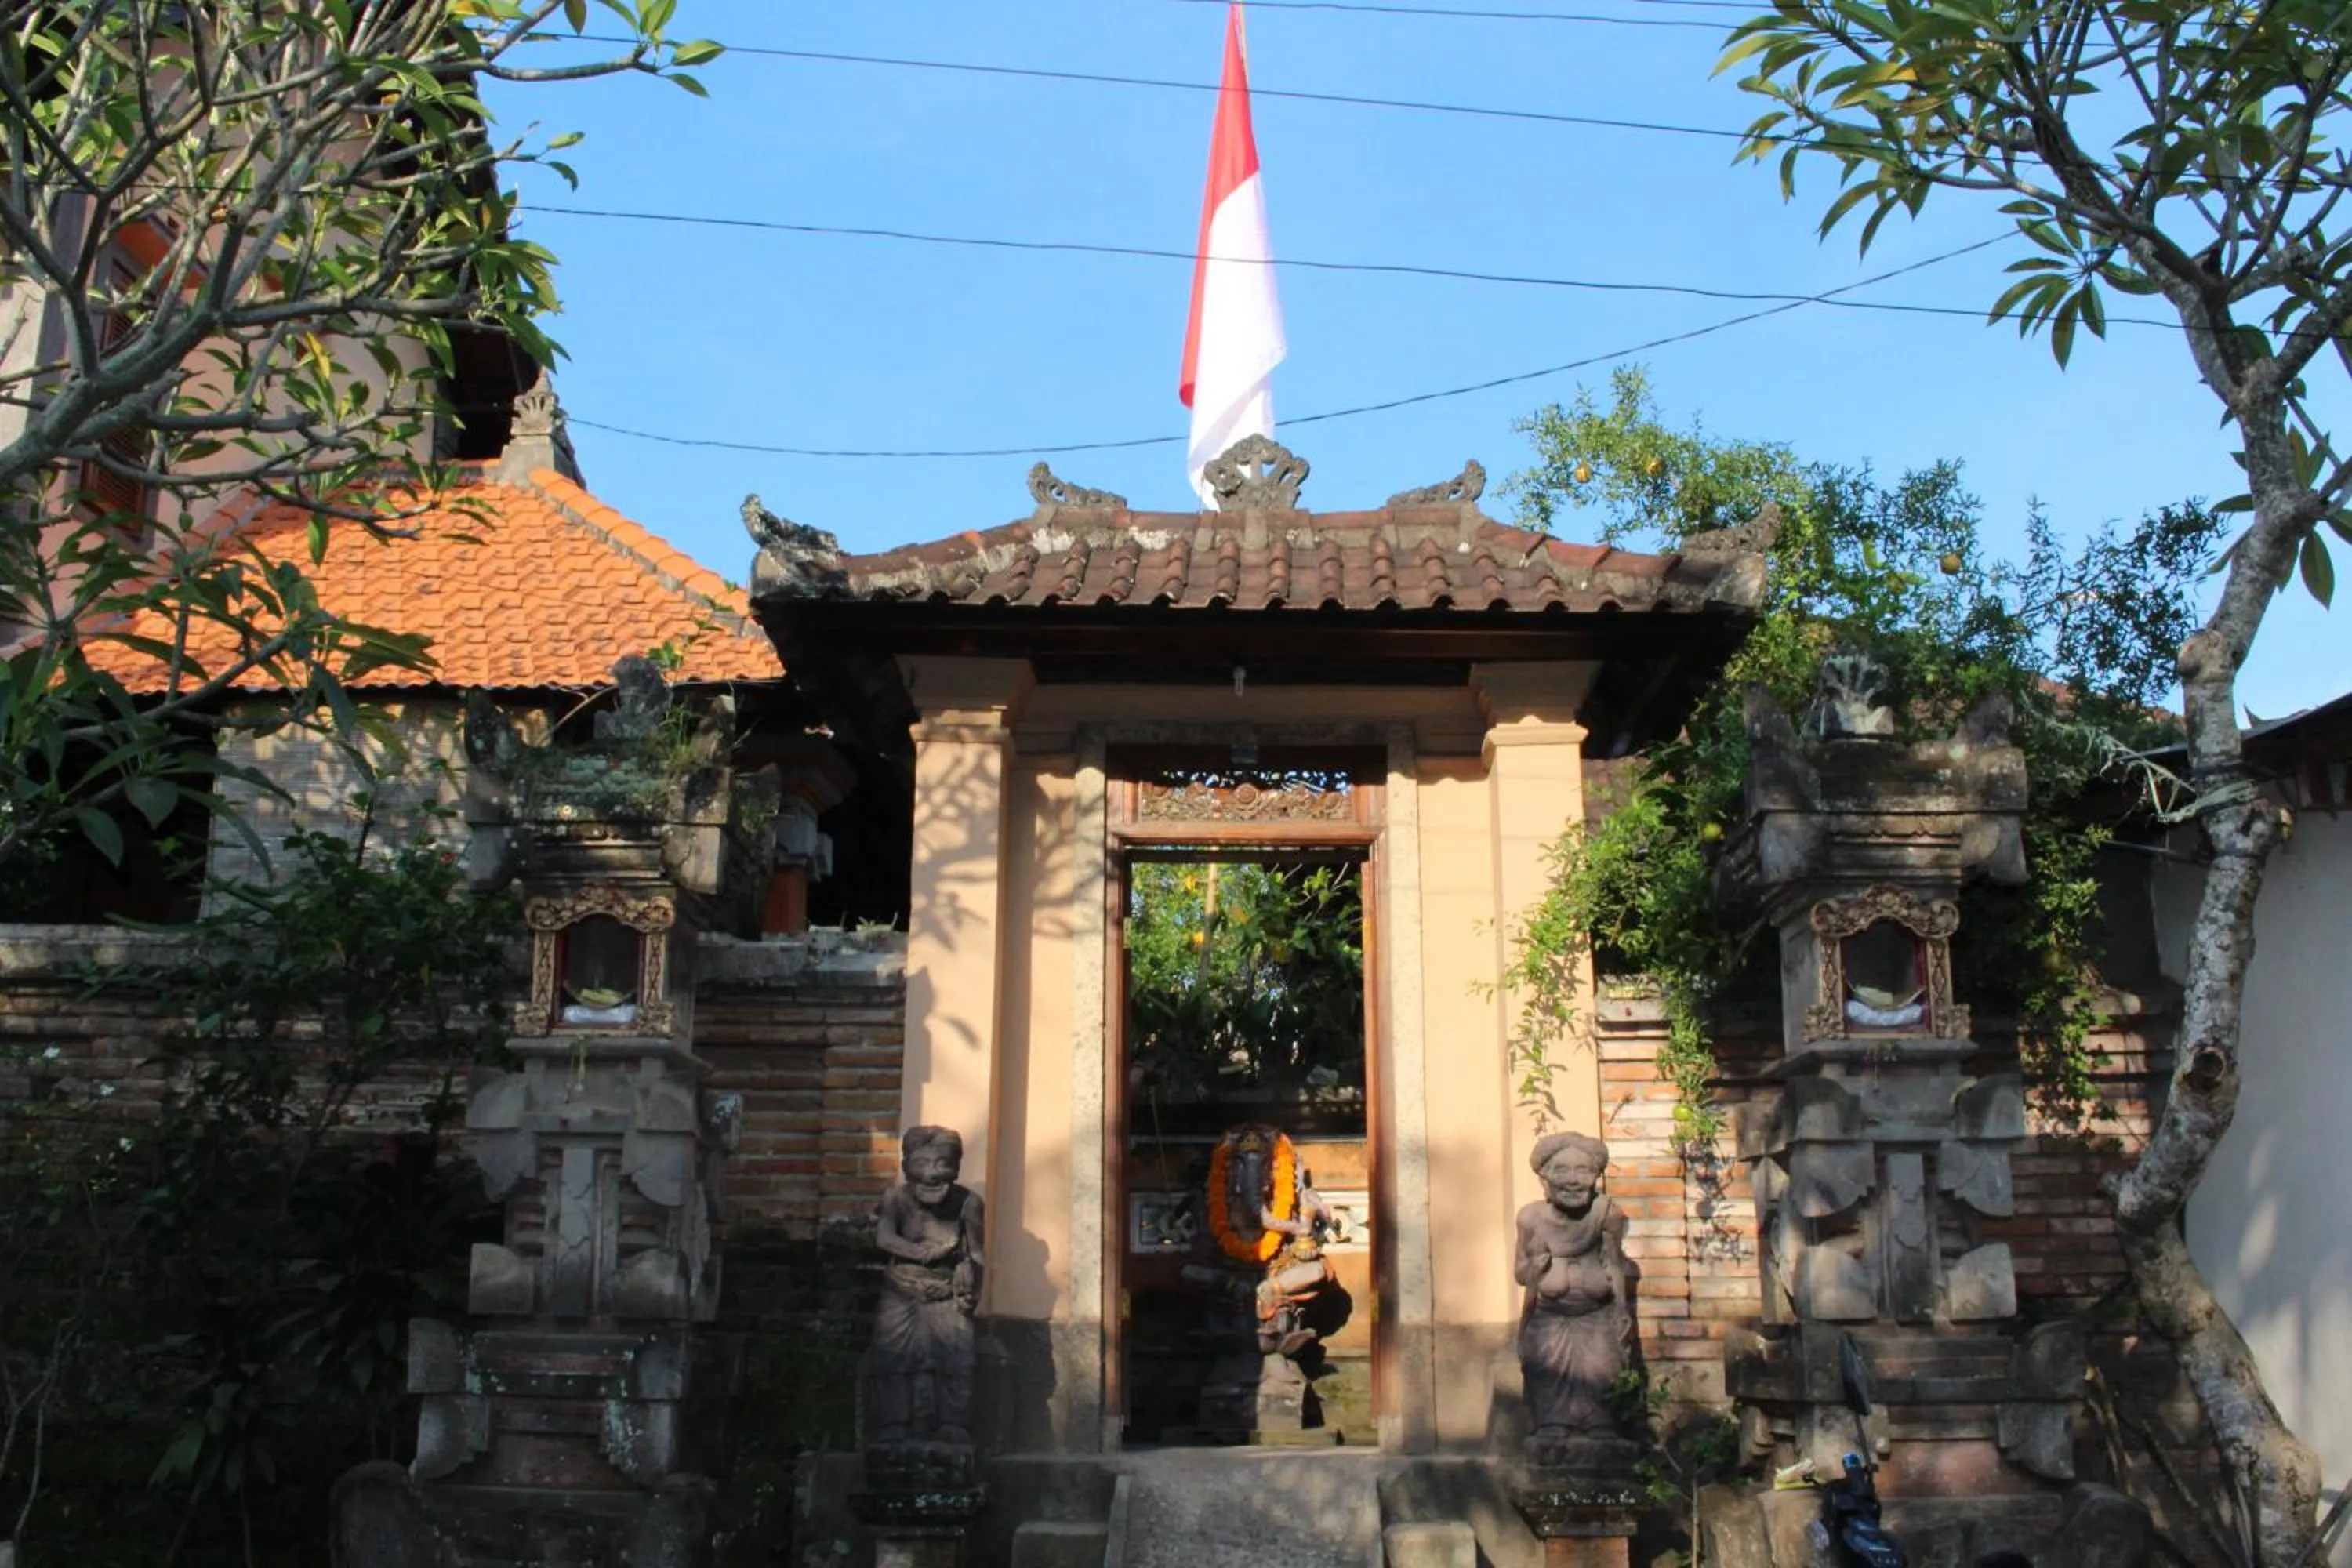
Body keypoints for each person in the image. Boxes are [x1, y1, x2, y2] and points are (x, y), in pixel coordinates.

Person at [865, 1124, 986, 1448]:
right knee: (893, 1356)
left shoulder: (968, 1203)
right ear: (906, 1167)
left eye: (943, 1164)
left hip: (945, 1290)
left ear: (957, 1167)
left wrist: (970, 1279)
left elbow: (975, 1251)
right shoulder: (895, 1198)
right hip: (901, 1288)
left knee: (956, 1357)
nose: (933, 1175)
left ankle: (952, 1423)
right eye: (922, 1164)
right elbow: (885, 1238)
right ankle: (894, 1423)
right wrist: (921, 1253)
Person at [1515, 1130, 1633, 1440]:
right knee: (1545, 1368)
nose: (1573, 1180)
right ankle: (1552, 1422)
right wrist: (1534, 1267)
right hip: (1549, 1316)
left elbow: (1614, 1262)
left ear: (1595, 1177)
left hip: (1596, 1314)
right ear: (1545, 1181)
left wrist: (1621, 1309)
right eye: (1562, 1171)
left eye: (1583, 1171)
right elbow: (1520, 1271)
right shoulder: (1531, 1218)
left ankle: (1600, 1422)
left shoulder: (1606, 1213)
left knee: (1603, 1368)